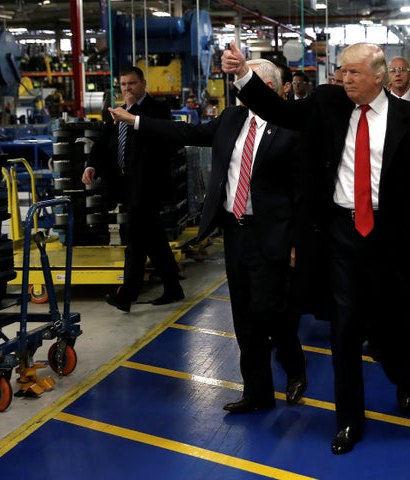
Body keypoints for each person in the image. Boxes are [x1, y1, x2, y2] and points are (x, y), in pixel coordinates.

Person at [221, 41, 410, 454]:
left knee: (393, 328)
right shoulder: (328, 102)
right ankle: (349, 421)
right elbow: (281, 112)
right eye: (342, 71)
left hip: (391, 236)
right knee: (343, 330)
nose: (343, 78)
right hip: (340, 234)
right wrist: (242, 75)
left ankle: (403, 376)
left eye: (353, 73)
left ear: (378, 77)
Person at [108, 58, 308, 411]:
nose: (239, 89)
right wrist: (135, 120)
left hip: (273, 233)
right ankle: (257, 393)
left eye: (248, 83)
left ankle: (295, 367)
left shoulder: (291, 126)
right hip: (237, 232)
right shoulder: (232, 119)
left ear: (272, 89)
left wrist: (297, 240)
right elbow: (186, 133)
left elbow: (303, 191)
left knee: (270, 311)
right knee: (244, 315)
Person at [82, 66, 184, 312]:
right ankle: (173, 288)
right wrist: (91, 166)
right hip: (125, 187)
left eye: (132, 83)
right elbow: (103, 143)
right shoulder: (117, 113)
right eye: (124, 84)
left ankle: (127, 295)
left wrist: (132, 116)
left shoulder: (157, 110)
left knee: (136, 241)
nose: (127, 88)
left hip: (147, 186)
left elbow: (162, 140)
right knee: (155, 239)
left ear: (143, 84)